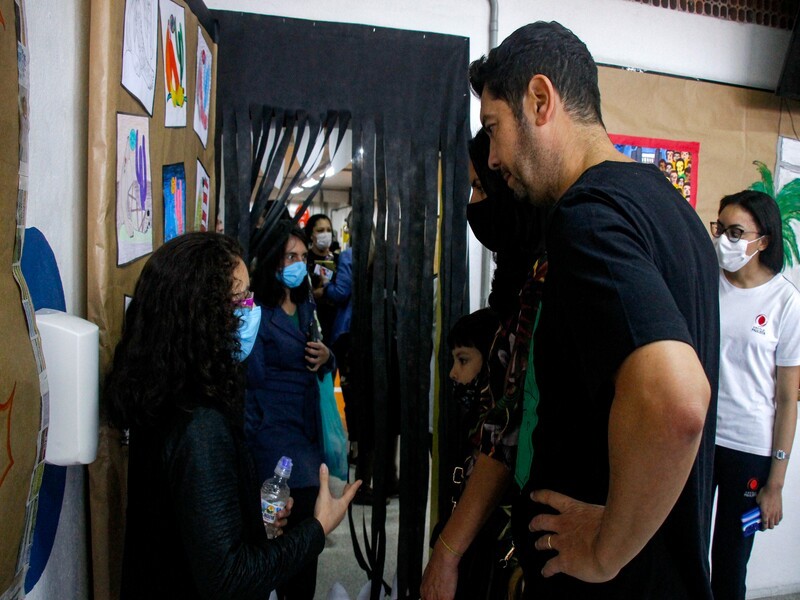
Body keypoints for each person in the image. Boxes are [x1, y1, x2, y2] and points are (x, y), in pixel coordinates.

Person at [469, 21, 719, 598]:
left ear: (539, 100)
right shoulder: (671, 211)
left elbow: (678, 401)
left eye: (494, 128)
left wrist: (605, 549)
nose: (495, 157)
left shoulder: (586, 218)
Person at [107, 232, 360, 599]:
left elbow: (188, 519)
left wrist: (246, 517)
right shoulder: (200, 426)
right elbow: (229, 578)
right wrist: (318, 527)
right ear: (200, 315)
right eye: (239, 301)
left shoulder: (164, 394)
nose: (250, 310)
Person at [709, 190, 800, 600]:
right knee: (681, 548)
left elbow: (787, 398)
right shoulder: (705, 284)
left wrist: (775, 484)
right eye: (720, 228)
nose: (723, 240)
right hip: (697, 440)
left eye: (735, 232)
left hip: (752, 453)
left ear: (763, 240)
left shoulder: (786, 302)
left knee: (732, 556)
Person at [245, 220, 336, 599]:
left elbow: (322, 363)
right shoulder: (255, 312)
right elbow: (250, 385)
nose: (299, 263)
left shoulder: (305, 305)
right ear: (272, 262)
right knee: (275, 550)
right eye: (290, 257)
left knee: (303, 555)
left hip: (306, 435)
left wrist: (328, 357)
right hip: (271, 442)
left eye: (302, 256)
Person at [304, 213, 337, 343]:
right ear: (311, 234)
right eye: (320, 230)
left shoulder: (338, 260)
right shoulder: (304, 259)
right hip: (312, 320)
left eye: (328, 230)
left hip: (334, 320)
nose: (325, 233)